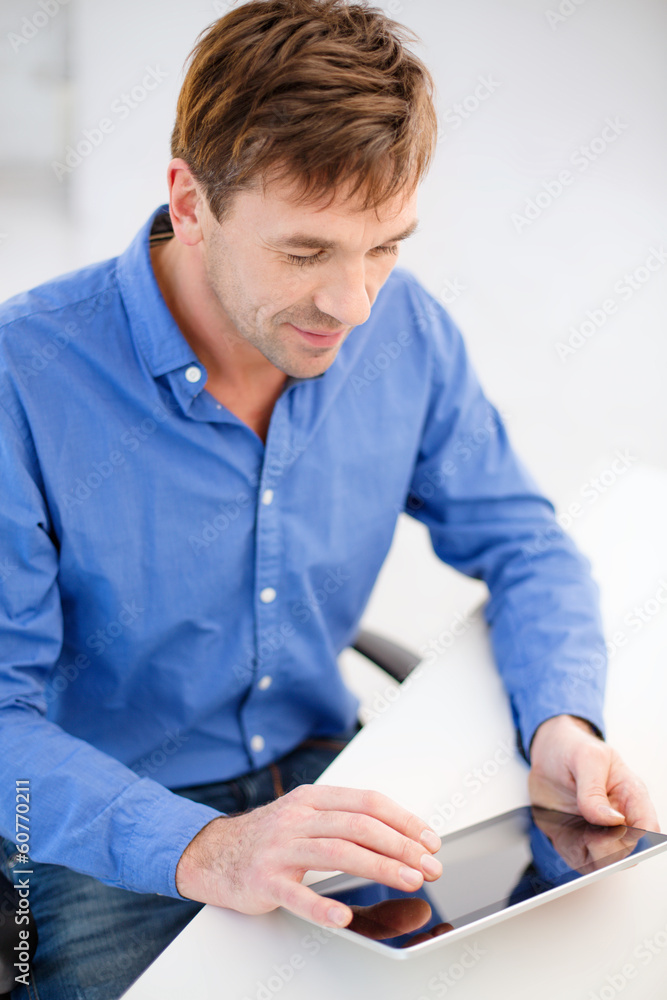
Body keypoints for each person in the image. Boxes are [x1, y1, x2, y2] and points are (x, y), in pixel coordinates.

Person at [0, 0, 658, 997]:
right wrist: (207, 846)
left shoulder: (405, 331)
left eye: (385, 244)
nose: (352, 303)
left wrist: (561, 720)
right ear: (189, 201)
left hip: (324, 776)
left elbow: (522, 542)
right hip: (104, 828)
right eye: (305, 252)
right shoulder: (24, 379)